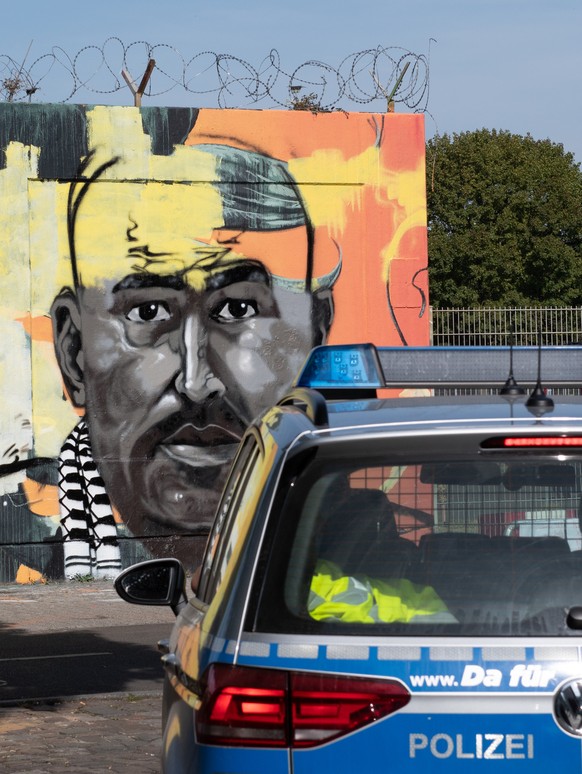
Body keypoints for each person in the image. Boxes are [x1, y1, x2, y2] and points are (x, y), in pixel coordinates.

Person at [50, 143, 340, 577]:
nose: (196, 381)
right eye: (148, 312)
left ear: (316, 336)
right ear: (73, 353)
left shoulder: (364, 531)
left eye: (239, 309)